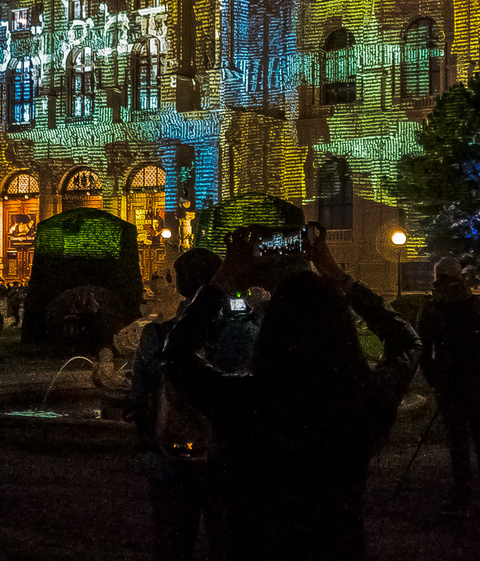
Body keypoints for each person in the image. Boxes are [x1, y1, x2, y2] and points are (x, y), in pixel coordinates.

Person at [164, 224, 421, 561]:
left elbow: (178, 355)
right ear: (341, 331)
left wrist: (222, 280)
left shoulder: (248, 402)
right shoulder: (362, 398)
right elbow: (407, 341)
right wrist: (340, 279)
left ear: (273, 333)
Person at [130, 247, 224, 561]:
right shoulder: (240, 331)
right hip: (225, 455)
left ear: (179, 284)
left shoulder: (157, 334)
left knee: (172, 541)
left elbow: (140, 392)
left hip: (169, 452)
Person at [417, 257, 480, 516]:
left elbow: (422, 347)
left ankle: (463, 499)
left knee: (458, 441)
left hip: (449, 382)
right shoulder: (479, 305)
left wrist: (433, 379)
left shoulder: (432, 308)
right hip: (475, 381)